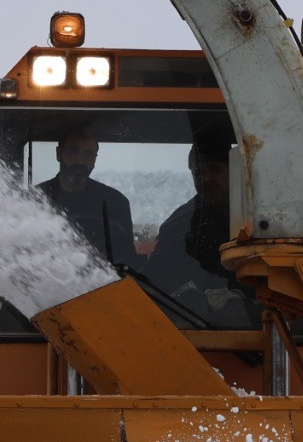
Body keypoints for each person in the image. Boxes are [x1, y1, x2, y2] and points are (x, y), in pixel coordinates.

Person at [148, 124, 258, 325]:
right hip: (193, 330)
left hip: (258, 329)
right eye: (198, 172)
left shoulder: (260, 219)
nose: (206, 178)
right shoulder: (178, 225)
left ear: (234, 172)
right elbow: (158, 283)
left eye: (215, 169)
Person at [35, 120, 136, 269]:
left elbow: (127, 261)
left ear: (95, 158)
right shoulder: (35, 198)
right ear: (58, 154)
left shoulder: (115, 202)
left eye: (88, 154)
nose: (81, 161)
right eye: (74, 152)